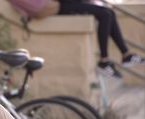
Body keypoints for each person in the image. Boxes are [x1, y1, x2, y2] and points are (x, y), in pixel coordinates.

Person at [8, 0, 145, 78]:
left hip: (59, 4)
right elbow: (37, 7)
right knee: (105, 15)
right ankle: (104, 60)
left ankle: (125, 55)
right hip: (57, 6)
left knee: (109, 12)